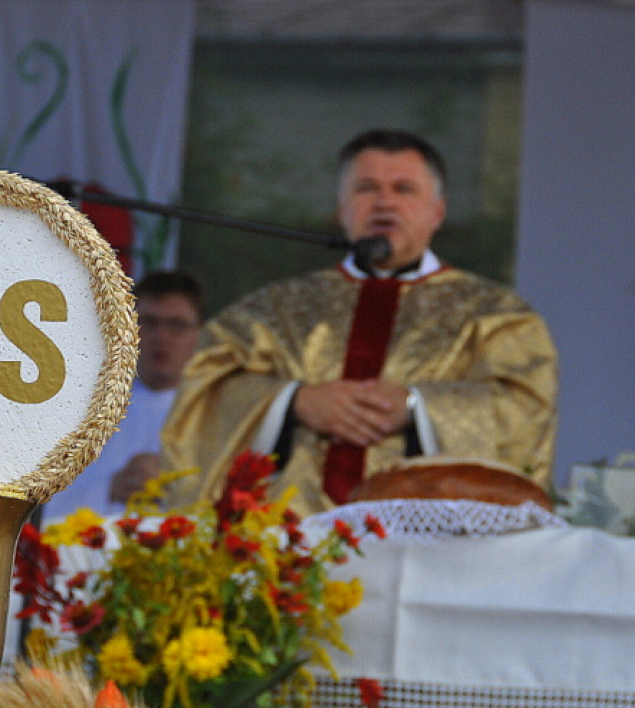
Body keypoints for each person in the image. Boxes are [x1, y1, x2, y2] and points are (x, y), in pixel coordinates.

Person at [161, 128, 558, 517]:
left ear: (438, 211)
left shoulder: (496, 315)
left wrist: (417, 408)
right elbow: (205, 394)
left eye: (404, 189)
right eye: (366, 188)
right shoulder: (273, 308)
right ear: (341, 208)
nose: (384, 202)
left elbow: (524, 409)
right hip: (286, 534)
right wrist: (294, 402)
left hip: (427, 540)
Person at [42, 270, 204, 522]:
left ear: (200, 335)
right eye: (149, 323)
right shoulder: (87, 411)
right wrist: (110, 489)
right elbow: (45, 509)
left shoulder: (218, 413)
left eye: (176, 325)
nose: (161, 337)